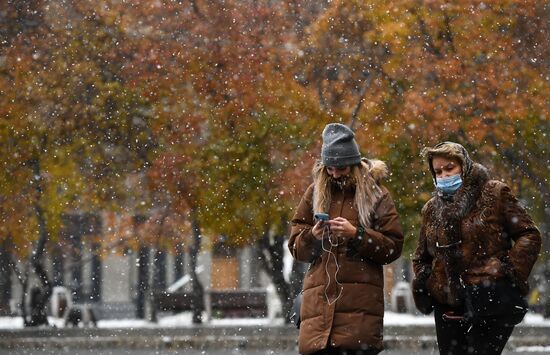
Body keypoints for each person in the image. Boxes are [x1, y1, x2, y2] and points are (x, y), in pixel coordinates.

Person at [412, 141, 541, 355]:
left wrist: (506, 269)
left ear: (464, 165)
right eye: (438, 171)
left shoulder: (494, 193)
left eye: (450, 168)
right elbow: (420, 257)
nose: (444, 175)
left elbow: (529, 234)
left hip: (489, 297)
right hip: (447, 306)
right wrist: (429, 280)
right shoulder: (431, 209)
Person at [288, 123, 404, 355]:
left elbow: (392, 247)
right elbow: (296, 247)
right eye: (329, 168)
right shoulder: (315, 192)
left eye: (341, 168)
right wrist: (313, 236)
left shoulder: (376, 194)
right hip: (318, 315)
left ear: (354, 163)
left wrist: (356, 235)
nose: (334, 174)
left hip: (358, 315)